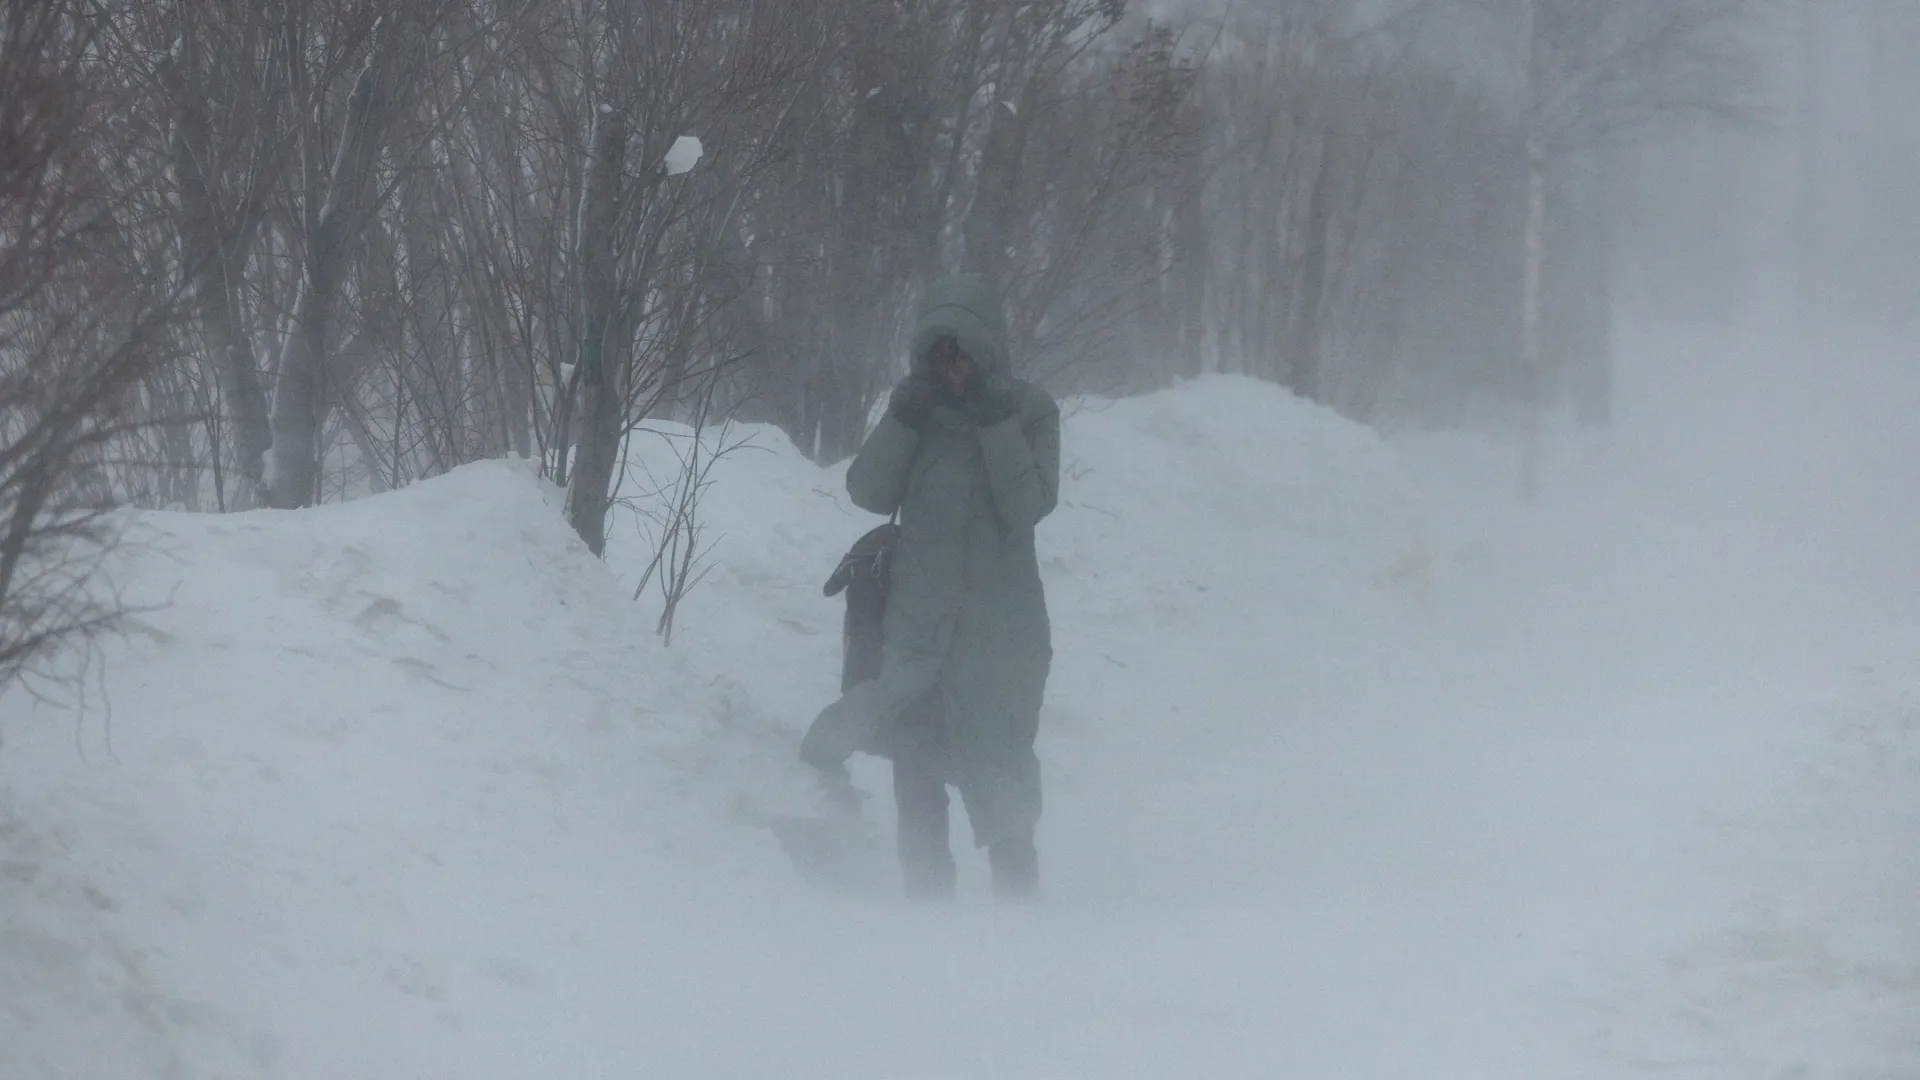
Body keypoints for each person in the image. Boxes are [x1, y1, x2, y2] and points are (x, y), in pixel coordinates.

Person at [801, 273, 1060, 902]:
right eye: (941, 354)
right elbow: (868, 492)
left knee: (1001, 783)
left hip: (999, 643)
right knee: (916, 774)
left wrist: (997, 425)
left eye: (963, 352)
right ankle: (929, 923)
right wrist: (901, 421)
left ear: (988, 351)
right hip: (917, 637)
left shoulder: (1031, 411)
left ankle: (1019, 928)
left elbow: (1028, 504)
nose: (953, 367)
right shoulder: (919, 414)